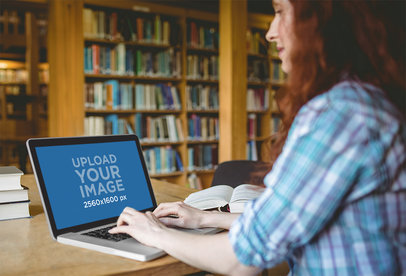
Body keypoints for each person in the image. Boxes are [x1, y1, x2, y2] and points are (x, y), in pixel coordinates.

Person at [110, 0, 406, 274]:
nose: (269, 33)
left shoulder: (340, 115)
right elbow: (285, 222)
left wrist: (155, 233)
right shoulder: (363, 101)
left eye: (280, 12)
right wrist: (205, 218)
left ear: (323, 19)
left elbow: (242, 260)